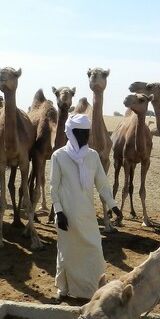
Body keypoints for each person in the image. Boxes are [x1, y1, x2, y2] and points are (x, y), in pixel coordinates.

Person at [49, 114, 123, 301]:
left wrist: (114, 206)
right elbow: (53, 187)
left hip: (87, 215)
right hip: (67, 215)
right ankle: (63, 289)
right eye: (81, 133)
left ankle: (94, 290)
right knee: (67, 251)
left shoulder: (92, 156)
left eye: (86, 133)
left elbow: (102, 184)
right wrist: (58, 211)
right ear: (71, 133)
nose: (85, 137)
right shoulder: (59, 156)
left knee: (94, 250)